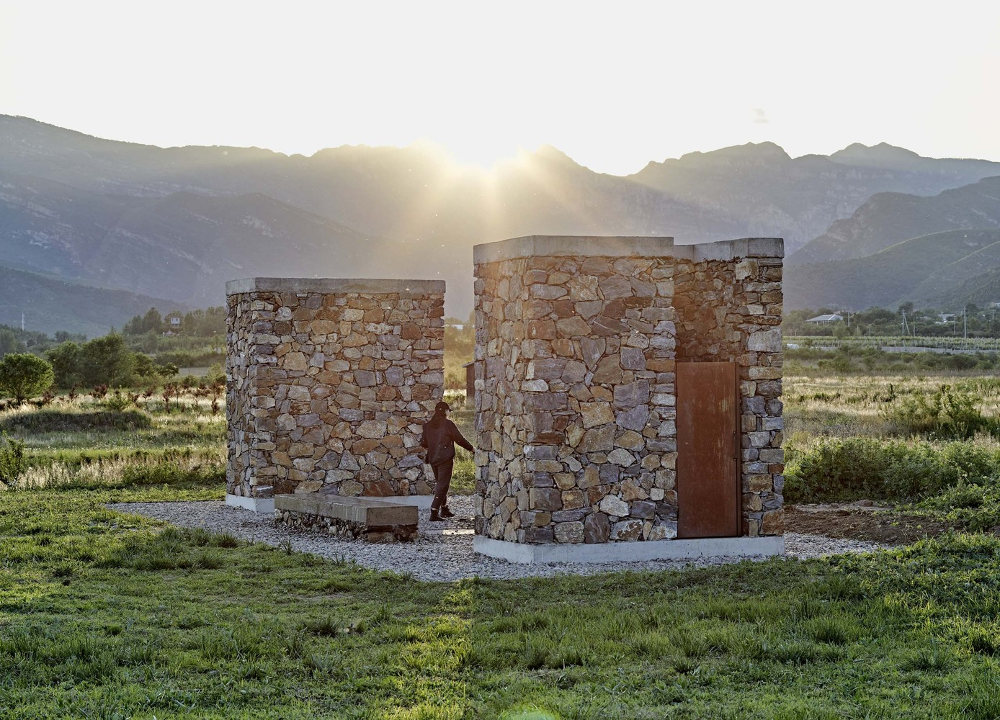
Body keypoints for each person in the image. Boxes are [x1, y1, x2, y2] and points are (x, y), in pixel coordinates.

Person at [420, 401, 474, 521]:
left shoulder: (427, 426)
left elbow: (424, 443)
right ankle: (434, 511)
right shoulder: (448, 424)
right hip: (445, 459)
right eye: (448, 410)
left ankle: (444, 509)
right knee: (443, 485)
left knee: (440, 483)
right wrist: (471, 448)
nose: (449, 413)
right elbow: (459, 439)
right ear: (445, 411)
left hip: (433, 458)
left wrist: (433, 446)